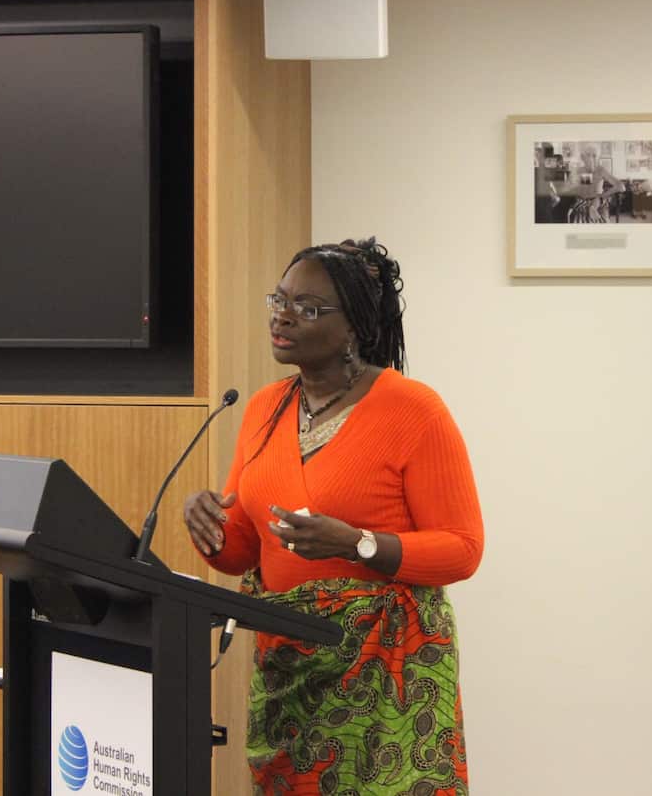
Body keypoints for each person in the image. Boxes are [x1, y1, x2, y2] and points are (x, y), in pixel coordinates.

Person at [183, 238, 484, 796]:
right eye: (279, 299)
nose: (283, 315)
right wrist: (208, 525)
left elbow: (463, 549)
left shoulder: (413, 409)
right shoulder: (262, 409)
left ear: (353, 327)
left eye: (307, 307)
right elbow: (244, 551)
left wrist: (359, 544)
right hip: (289, 673)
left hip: (384, 674)